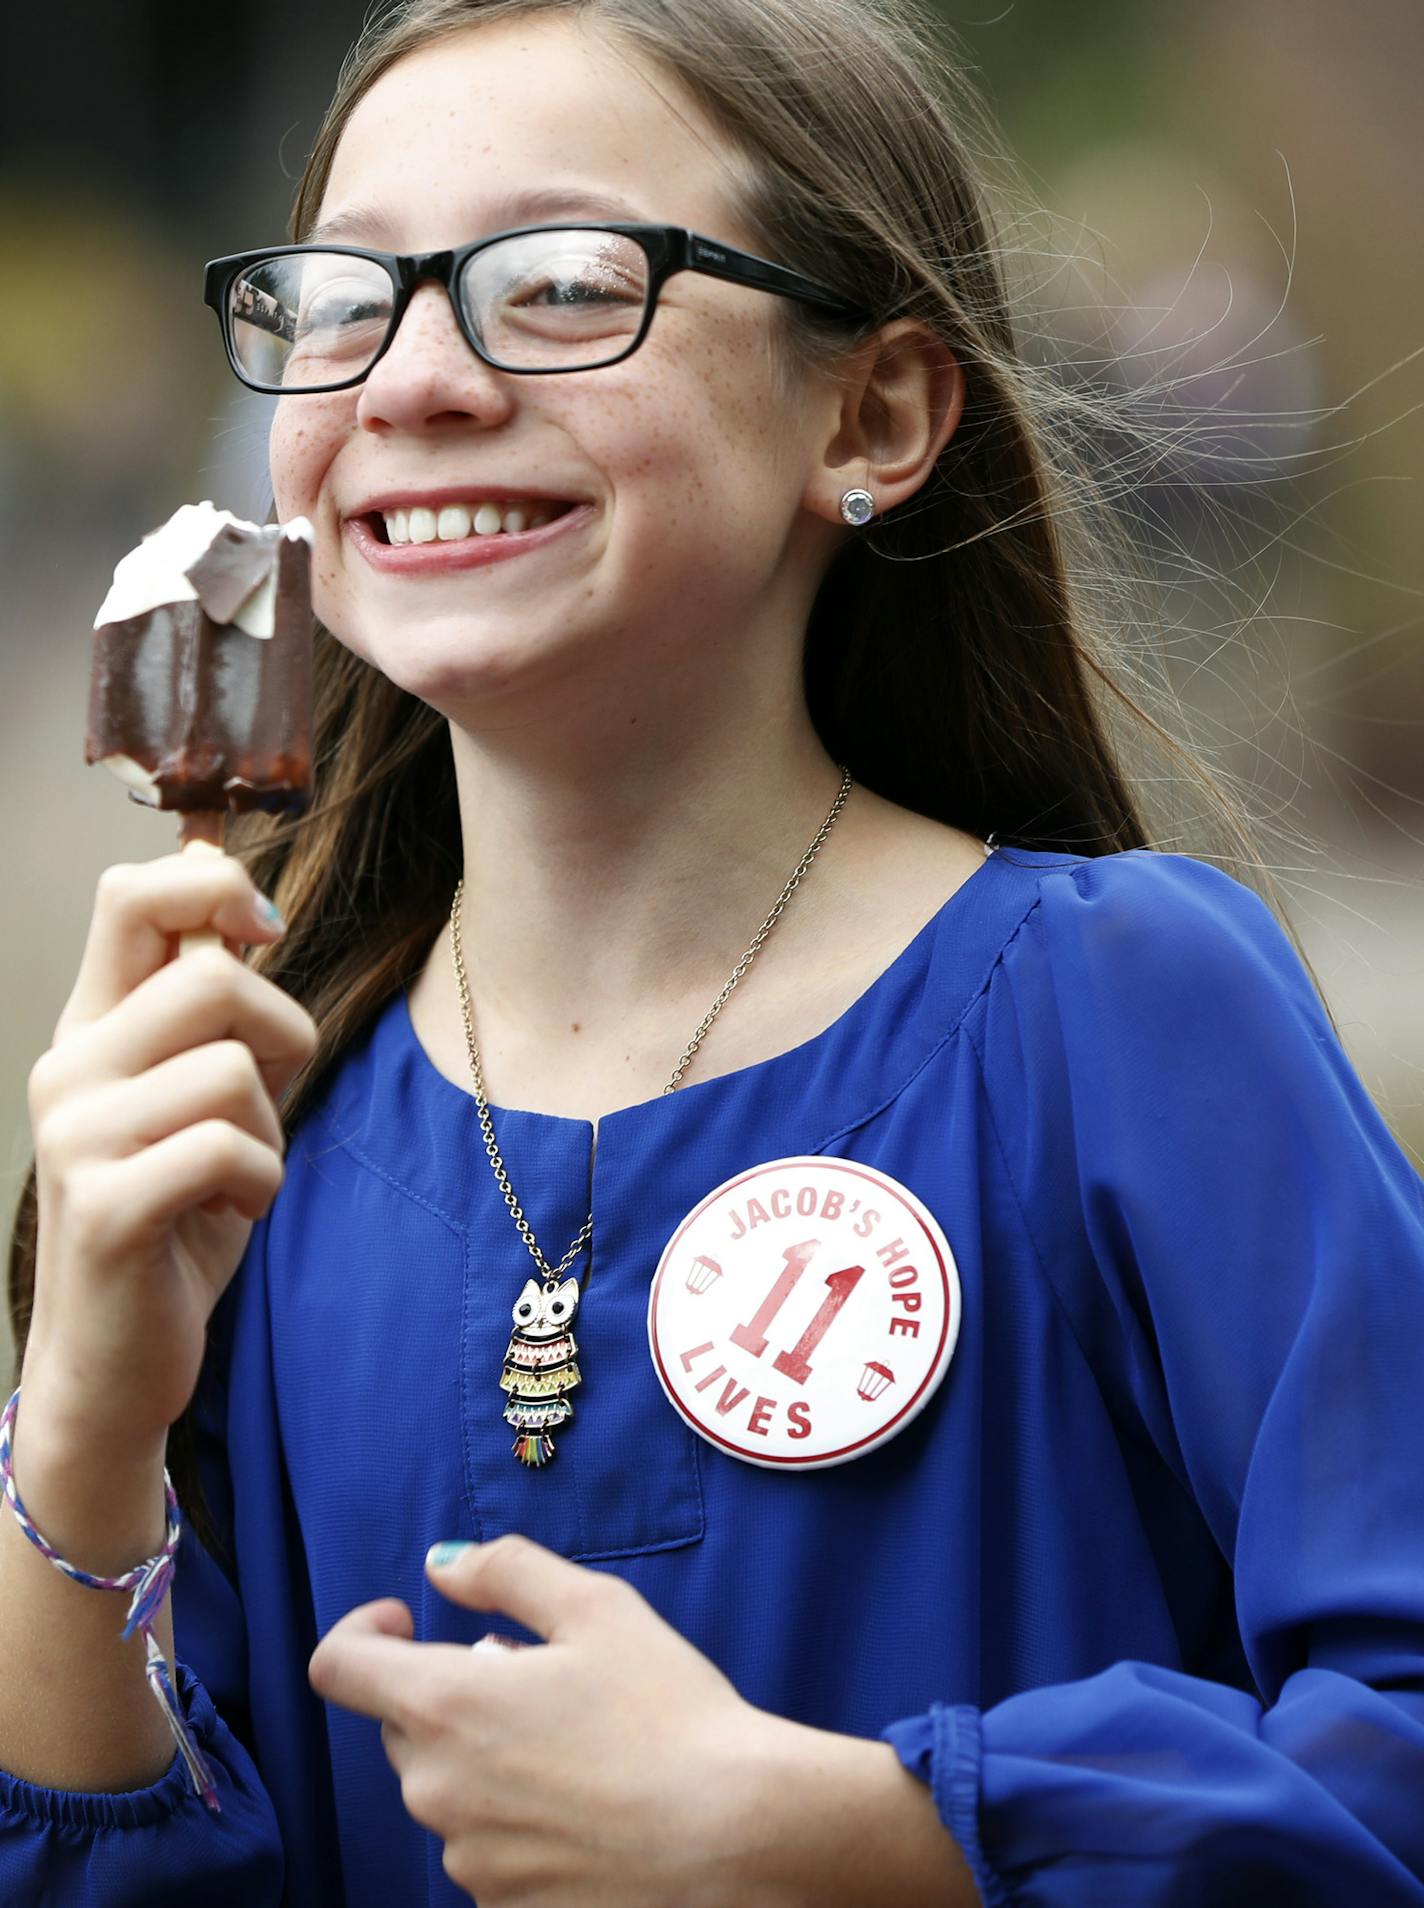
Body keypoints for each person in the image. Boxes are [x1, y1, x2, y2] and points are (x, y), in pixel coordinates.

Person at [4, 0, 1424, 1902]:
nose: (412, 381)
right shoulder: (261, 1121)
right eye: (344, 297)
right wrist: (88, 1418)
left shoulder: (1119, 1006)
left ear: (874, 415)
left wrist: (841, 1829)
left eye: (567, 280)